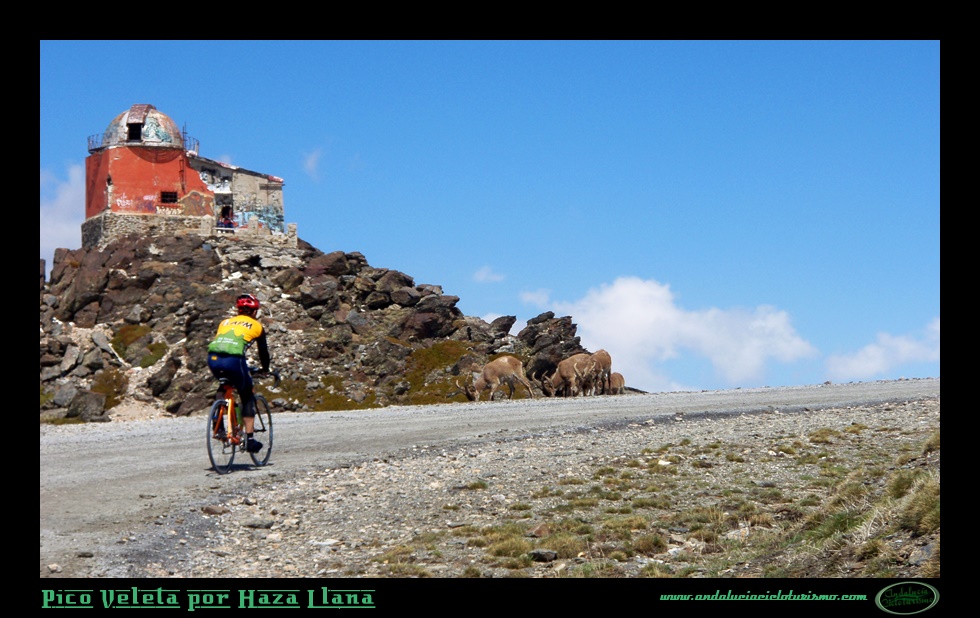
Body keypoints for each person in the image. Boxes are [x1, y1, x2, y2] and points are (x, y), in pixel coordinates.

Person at [207, 294, 271, 453]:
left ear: (238, 310)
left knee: (224, 386)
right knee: (247, 395)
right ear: (254, 311)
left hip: (213, 358)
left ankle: (218, 426)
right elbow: (263, 352)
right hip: (234, 360)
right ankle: (250, 440)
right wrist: (265, 369)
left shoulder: (225, 322)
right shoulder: (256, 326)